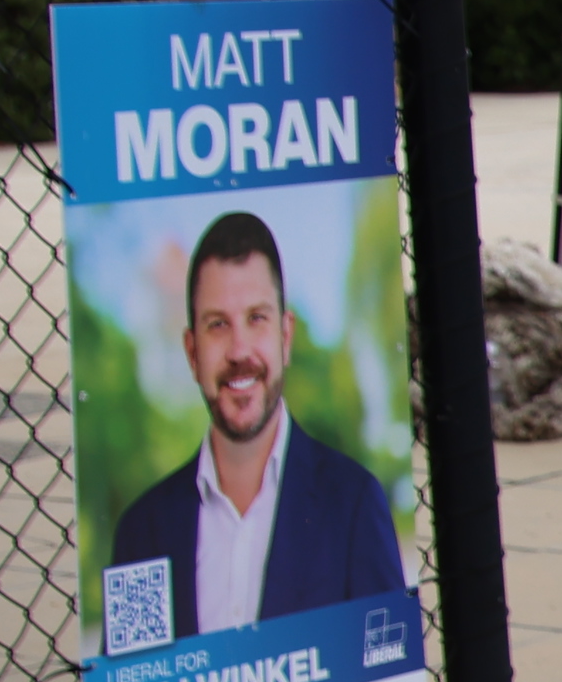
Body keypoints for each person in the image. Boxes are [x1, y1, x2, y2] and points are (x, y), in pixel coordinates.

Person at [105, 212, 406, 641]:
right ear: (192, 352)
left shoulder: (355, 504)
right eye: (218, 325)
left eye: (257, 318)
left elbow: (385, 665)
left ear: (286, 337)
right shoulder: (141, 532)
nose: (239, 349)